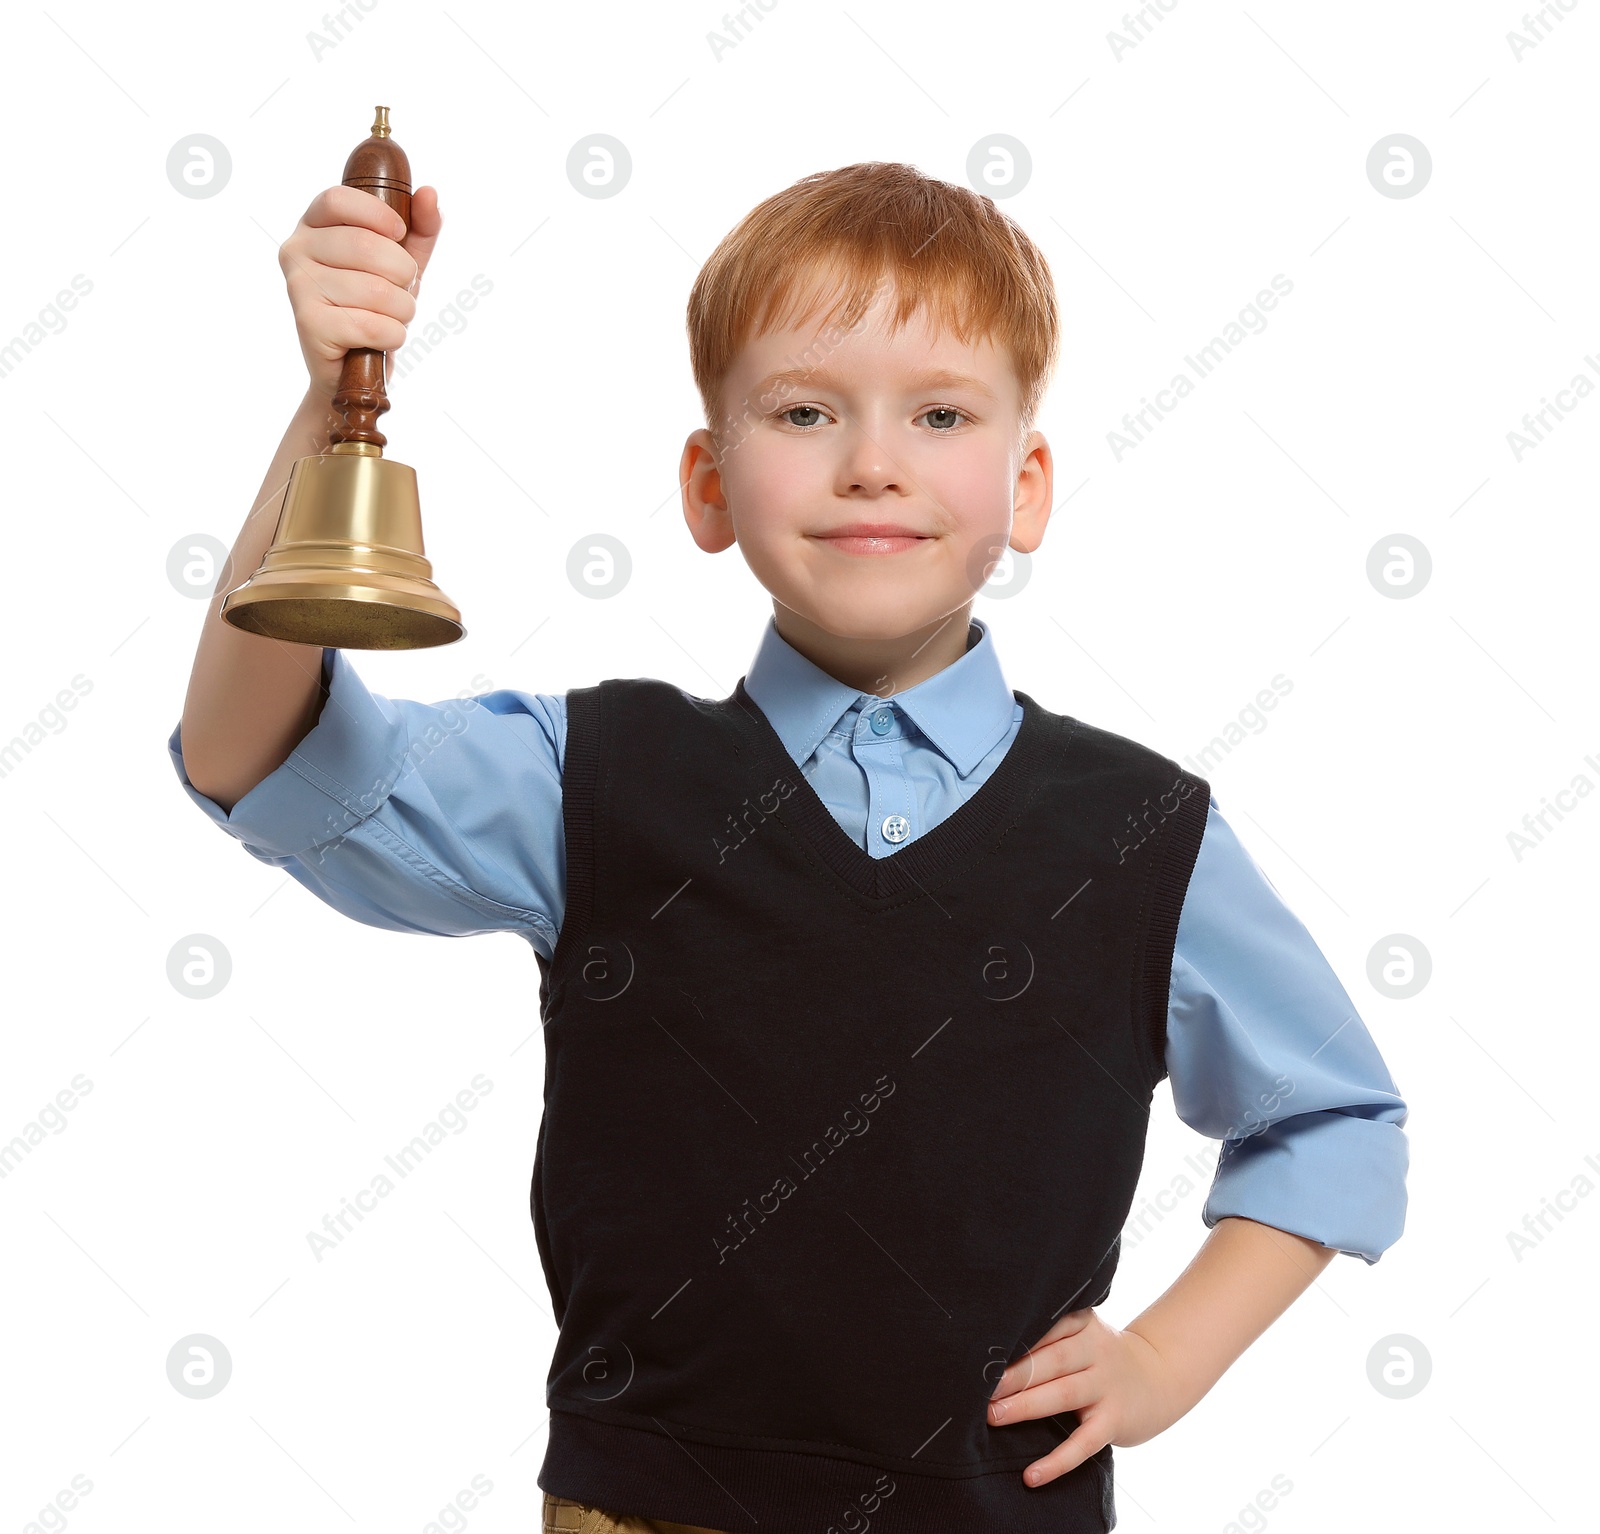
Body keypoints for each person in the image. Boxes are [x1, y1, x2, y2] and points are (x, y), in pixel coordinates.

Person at [169, 161, 1408, 1534]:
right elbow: (257, 755)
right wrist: (327, 400)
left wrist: (1166, 1359)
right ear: (708, 483)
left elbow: (1335, 1115)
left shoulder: (1141, 832)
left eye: (939, 412)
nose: (872, 458)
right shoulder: (595, 777)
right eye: (805, 410)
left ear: (1027, 482)